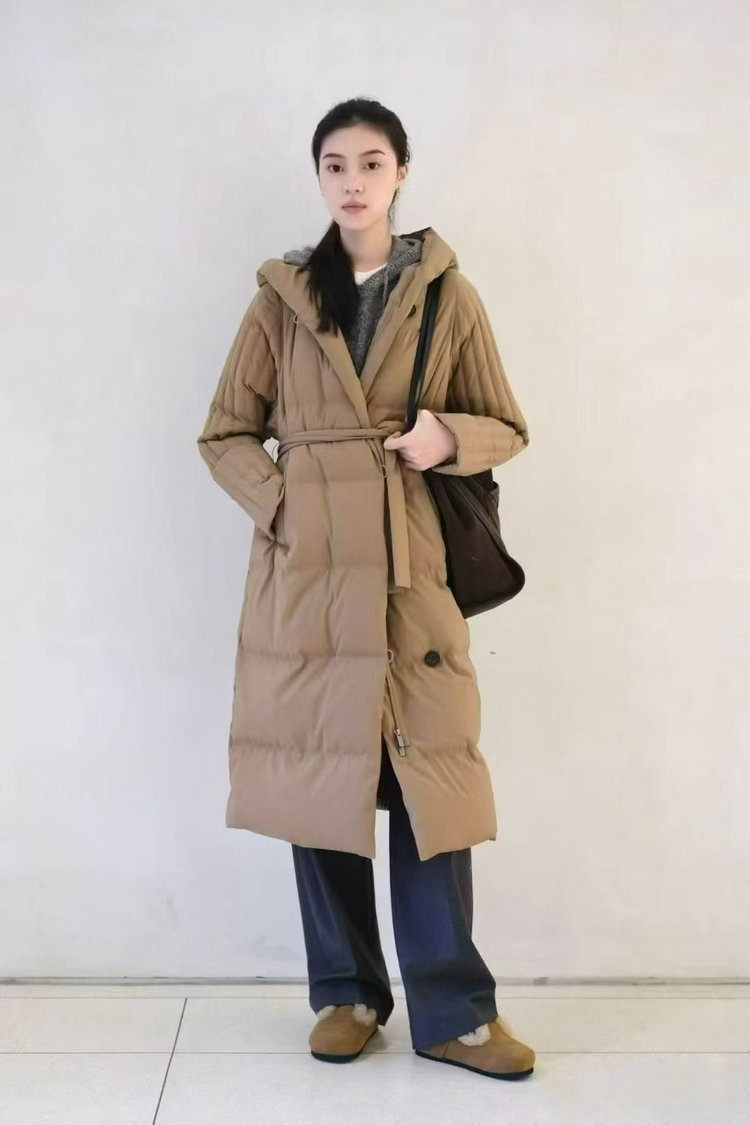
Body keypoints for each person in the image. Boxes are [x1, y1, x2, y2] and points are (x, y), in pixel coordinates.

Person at [197, 97, 536, 1081]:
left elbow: (507, 425)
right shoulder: (281, 301)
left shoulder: (447, 297)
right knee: (322, 782)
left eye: (372, 162)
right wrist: (286, 508)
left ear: (401, 174)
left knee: (432, 785)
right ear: (319, 178)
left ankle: (456, 1012)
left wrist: (446, 438)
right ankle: (346, 994)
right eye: (335, 165)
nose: (353, 181)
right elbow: (224, 433)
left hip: (409, 566)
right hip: (308, 580)